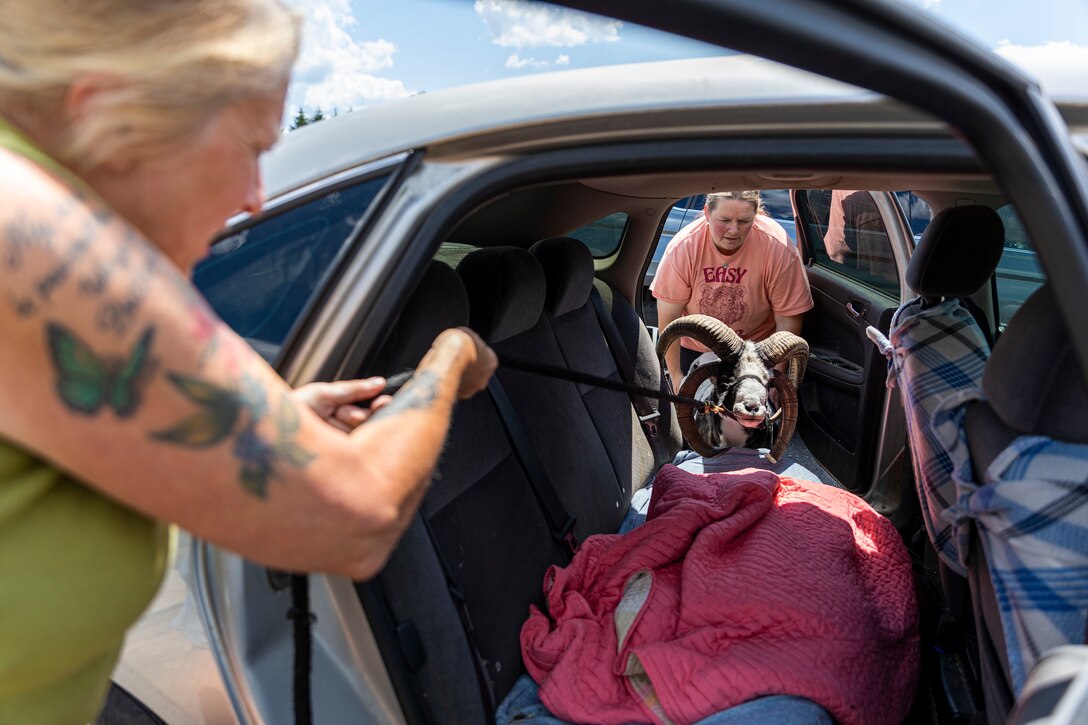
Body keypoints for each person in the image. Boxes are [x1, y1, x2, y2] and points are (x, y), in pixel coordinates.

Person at [0, 2, 497, 722]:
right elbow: (358, 513)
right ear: (111, 114)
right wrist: (450, 355)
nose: (256, 197)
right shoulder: (31, 231)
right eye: (253, 146)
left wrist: (272, 423)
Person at [651, 190, 813, 387]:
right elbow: (669, 318)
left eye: (744, 221)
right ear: (707, 213)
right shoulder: (685, 247)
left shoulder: (777, 248)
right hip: (697, 350)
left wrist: (775, 380)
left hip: (755, 353)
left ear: (756, 215)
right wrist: (676, 376)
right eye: (724, 220)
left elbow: (788, 321)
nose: (734, 230)